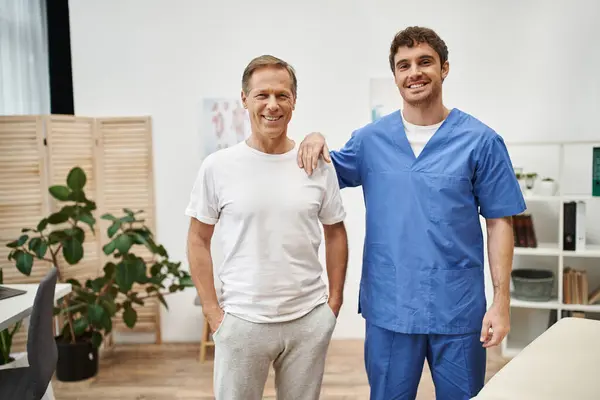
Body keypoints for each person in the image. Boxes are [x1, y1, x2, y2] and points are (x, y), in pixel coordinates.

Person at [297, 26, 526, 399]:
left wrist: (501, 303)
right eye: (403, 65)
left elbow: (500, 221)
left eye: (425, 62)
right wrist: (313, 137)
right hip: (391, 307)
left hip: (458, 309)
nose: (414, 72)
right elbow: (320, 172)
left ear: (444, 68)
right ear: (395, 76)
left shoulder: (481, 141)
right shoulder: (370, 141)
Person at [185, 54, 349, 400]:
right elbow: (198, 239)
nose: (272, 105)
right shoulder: (218, 167)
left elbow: (335, 232)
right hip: (242, 322)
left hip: (308, 320)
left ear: (293, 102)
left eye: (282, 95)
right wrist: (214, 313)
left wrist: (332, 305)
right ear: (244, 99)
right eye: (262, 95)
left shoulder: (316, 165)